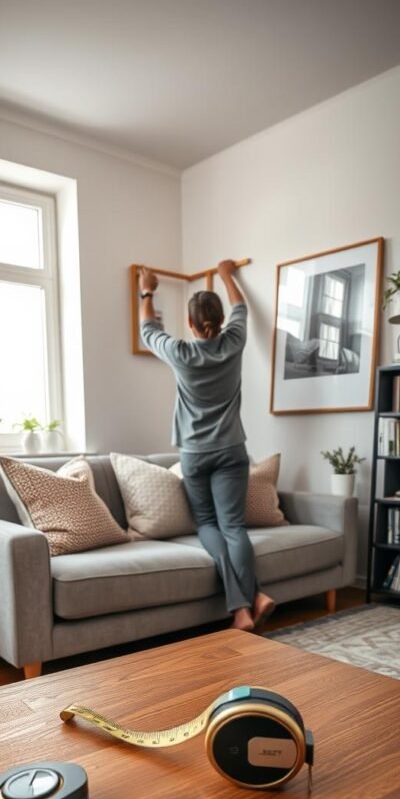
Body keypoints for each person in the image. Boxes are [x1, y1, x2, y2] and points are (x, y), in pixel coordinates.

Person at [139, 261, 275, 632]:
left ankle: (240, 609)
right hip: (233, 448)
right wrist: (229, 275)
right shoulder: (234, 343)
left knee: (207, 524)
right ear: (217, 320)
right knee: (234, 527)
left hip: (195, 454)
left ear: (191, 324)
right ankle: (256, 597)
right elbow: (241, 309)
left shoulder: (180, 353)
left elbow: (148, 328)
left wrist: (147, 290)